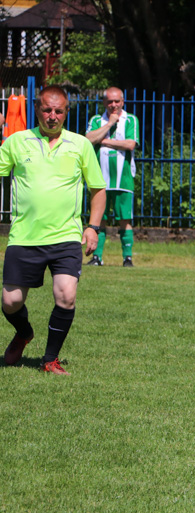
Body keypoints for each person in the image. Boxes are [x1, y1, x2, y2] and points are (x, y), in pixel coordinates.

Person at [1, 85, 107, 374]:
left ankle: (50, 359)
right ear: (37, 110)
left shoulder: (80, 145)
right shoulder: (15, 142)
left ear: (66, 113)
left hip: (65, 237)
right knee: (10, 302)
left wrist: (93, 227)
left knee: (66, 295)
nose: (52, 116)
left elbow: (98, 189)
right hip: (24, 236)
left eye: (58, 111)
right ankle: (24, 333)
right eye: (47, 109)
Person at [84, 87, 140, 267]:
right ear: (104, 102)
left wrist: (104, 140)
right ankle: (97, 258)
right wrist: (108, 125)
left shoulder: (130, 119)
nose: (113, 105)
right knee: (100, 219)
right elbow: (88, 140)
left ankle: (127, 258)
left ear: (122, 102)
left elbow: (130, 144)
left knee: (125, 219)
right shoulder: (96, 120)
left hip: (123, 179)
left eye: (117, 101)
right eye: (110, 101)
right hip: (99, 180)